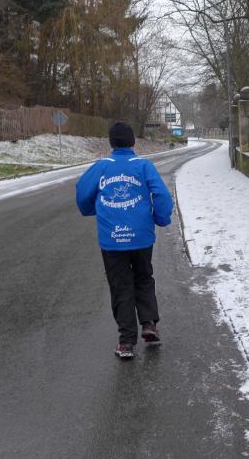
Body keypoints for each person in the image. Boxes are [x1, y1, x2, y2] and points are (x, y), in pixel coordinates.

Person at [75, 121, 174, 359]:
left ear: (111, 143)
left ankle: (127, 341)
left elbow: (82, 193)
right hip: (141, 236)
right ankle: (149, 324)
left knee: (120, 285)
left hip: (112, 238)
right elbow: (161, 194)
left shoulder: (101, 167)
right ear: (133, 142)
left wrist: (90, 209)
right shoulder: (143, 166)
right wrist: (161, 218)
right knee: (143, 278)